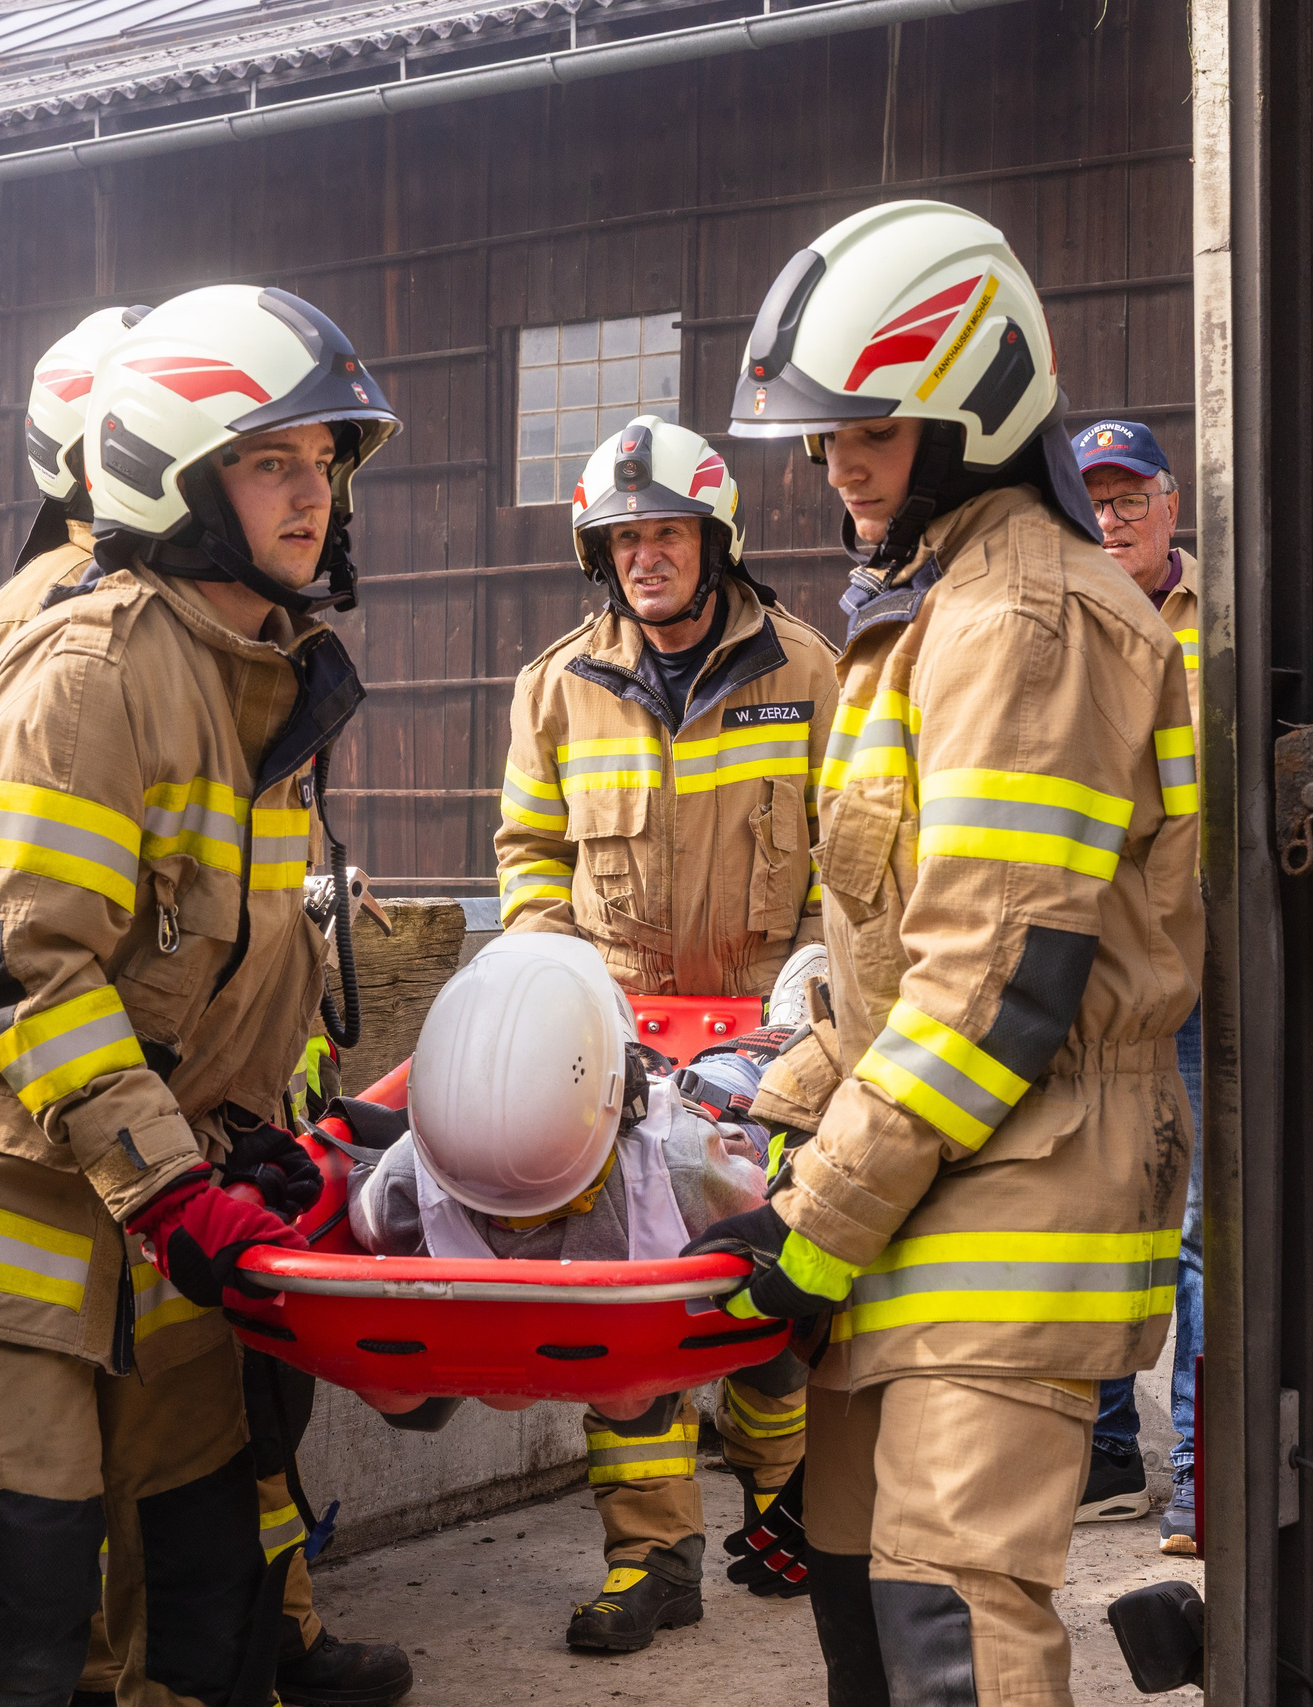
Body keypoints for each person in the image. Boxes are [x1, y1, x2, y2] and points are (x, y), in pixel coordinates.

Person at [0, 284, 408, 1707]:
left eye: (324, 463)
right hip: (1, 1201)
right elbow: (19, 961)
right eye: (271, 462)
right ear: (174, 473)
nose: (313, 496)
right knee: (16, 1613)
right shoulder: (91, 668)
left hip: (163, 1205)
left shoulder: (263, 677)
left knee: (209, 1603)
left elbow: (228, 965)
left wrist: (282, 1143)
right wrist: (175, 1190)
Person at [695, 200, 1202, 1705]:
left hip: (1012, 1201)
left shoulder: (1022, 619)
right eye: (821, 438)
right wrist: (753, 1122)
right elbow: (888, 969)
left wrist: (813, 1219)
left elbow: (995, 985)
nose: (837, 466)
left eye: (871, 431)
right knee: (860, 1590)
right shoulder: (926, 614)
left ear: (976, 414)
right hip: (920, 1192)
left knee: (951, 1624)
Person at [492, 416, 840, 1644]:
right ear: (599, 555)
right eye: (623, 539)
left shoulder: (809, 673)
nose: (645, 556)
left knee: (767, 1303)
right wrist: (560, 987)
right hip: (620, 1054)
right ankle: (650, 1562)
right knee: (622, 1307)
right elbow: (530, 856)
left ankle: (782, 1499)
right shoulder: (556, 688)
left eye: (667, 534)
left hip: (775, 1051)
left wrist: (815, 994)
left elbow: (852, 864)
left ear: (714, 542)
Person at [347, 934, 791, 1648]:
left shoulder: (681, 1165)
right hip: (576, 1342)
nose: (514, 1228)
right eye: (491, 1214)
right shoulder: (410, 1180)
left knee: (767, 1322)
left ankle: (778, 1489)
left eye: (542, 1210)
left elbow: (769, 1212)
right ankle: (658, 1562)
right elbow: (365, 1229)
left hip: (670, 1287)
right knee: (621, 1375)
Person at [1069, 419, 1206, 1556]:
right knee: (1094, 1208)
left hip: (1200, 967)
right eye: (1092, 502)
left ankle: (1202, 1479)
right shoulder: (1059, 620)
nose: (1110, 521)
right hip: (1089, 970)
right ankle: (1108, 1454)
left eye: (1128, 500)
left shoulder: (1227, 617)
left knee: (1200, 1230)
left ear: (1170, 506)